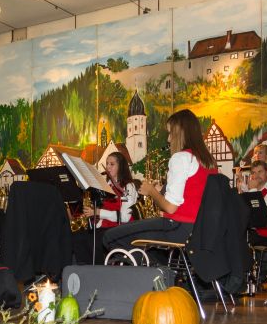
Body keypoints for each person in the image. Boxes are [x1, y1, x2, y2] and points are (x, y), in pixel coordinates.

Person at [103, 109, 217, 251]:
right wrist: (162, 190)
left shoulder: (180, 158)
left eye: (170, 133)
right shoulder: (208, 161)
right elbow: (193, 194)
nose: (168, 139)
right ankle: (151, 263)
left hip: (178, 227)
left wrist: (151, 191)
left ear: (180, 134)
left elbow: (170, 207)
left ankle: (149, 265)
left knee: (111, 236)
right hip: (199, 229)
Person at [74, 152, 138, 264]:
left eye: (112, 164)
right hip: (105, 228)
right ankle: (84, 270)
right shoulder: (106, 185)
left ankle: (98, 270)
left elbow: (124, 217)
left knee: (94, 240)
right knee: (78, 237)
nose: (108, 167)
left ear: (121, 166)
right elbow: (104, 213)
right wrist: (92, 217)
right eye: (107, 164)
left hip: (122, 229)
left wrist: (98, 212)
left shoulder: (128, 187)